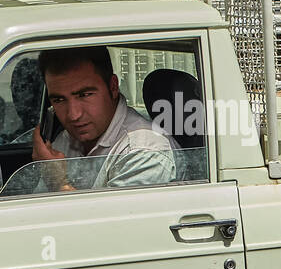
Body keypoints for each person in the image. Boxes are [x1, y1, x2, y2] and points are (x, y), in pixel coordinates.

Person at [31, 46, 181, 192]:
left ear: (113, 87)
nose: (73, 115)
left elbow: (116, 217)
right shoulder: (66, 139)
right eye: (59, 100)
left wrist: (59, 184)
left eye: (85, 95)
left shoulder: (144, 150)